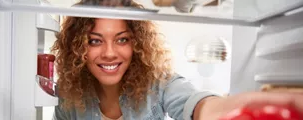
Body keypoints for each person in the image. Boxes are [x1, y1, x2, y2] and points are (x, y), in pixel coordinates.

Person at [51, 0, 303, 120]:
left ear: (137, 44)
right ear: (78, 47)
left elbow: (194, 103)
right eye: (95, 40)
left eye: (122, 39)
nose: (109, 53)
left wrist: (234, 108)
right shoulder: (69, 94)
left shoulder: (158, 84)